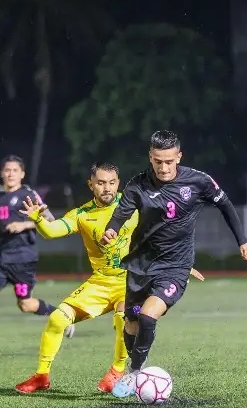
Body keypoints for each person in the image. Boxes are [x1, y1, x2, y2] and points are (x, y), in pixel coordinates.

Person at [13, 161, 207, 394]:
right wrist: (38, 219)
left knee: (123, 319)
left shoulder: (134, 204)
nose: (107, 188)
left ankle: (117, 372)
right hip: (100, 283)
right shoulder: (82, 215)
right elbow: (53, 231)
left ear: (118, 183)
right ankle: (41, 376)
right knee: (56, 319)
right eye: (101, 183)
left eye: (112, 183)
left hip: (133, 280)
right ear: (91, 184)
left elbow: (165, 232)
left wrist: (182, 263)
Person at [101, 130, 247, 398]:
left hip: (175, 267)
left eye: (169, 161)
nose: (164, 167)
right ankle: (137, 367)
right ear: (150, 157)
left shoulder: (198, 182)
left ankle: (134, 374)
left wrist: (244, 245)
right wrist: (111, 230)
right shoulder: (138, 185)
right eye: (158, 161)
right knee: (131, 323)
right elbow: (121, 214)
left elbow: (225, 204)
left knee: (147, 316)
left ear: (179, 156)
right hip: (140, 266)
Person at [0, 155, 65, 360]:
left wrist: (24, 225)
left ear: (22, 174)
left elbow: (50, 220)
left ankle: (59, 316)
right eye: (7, 170)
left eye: (15, 170)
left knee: (25, 304)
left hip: (23, 260)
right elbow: (2, 227)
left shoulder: (29, 194)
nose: (11, 174)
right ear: (2, 173)